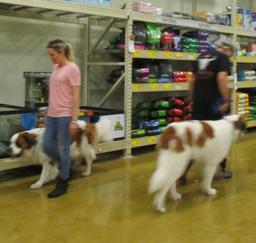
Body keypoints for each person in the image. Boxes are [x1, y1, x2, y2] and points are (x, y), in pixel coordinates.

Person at [181, 42, 234, 183]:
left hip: (199, 102)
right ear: (227, 49)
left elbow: (192, 80)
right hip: (215, 104)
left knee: (194, 136)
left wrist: (193, 99)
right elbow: (221, 78)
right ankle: (221, 171)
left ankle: (182, 174)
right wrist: (226, 100)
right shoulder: (223, 57)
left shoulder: (201, 56)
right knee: (221, 137)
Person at [43, 39, 81, 198]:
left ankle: (64, 179)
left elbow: (76, 95)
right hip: (52, 114)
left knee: (63, 148)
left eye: (52, 55)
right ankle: (67, 165)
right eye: (49, 55)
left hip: (65, 115)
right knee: (46, 146)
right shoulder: (55, 67)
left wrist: (74, 119)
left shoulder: (73, 68)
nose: (51, 58)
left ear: (61, 53)